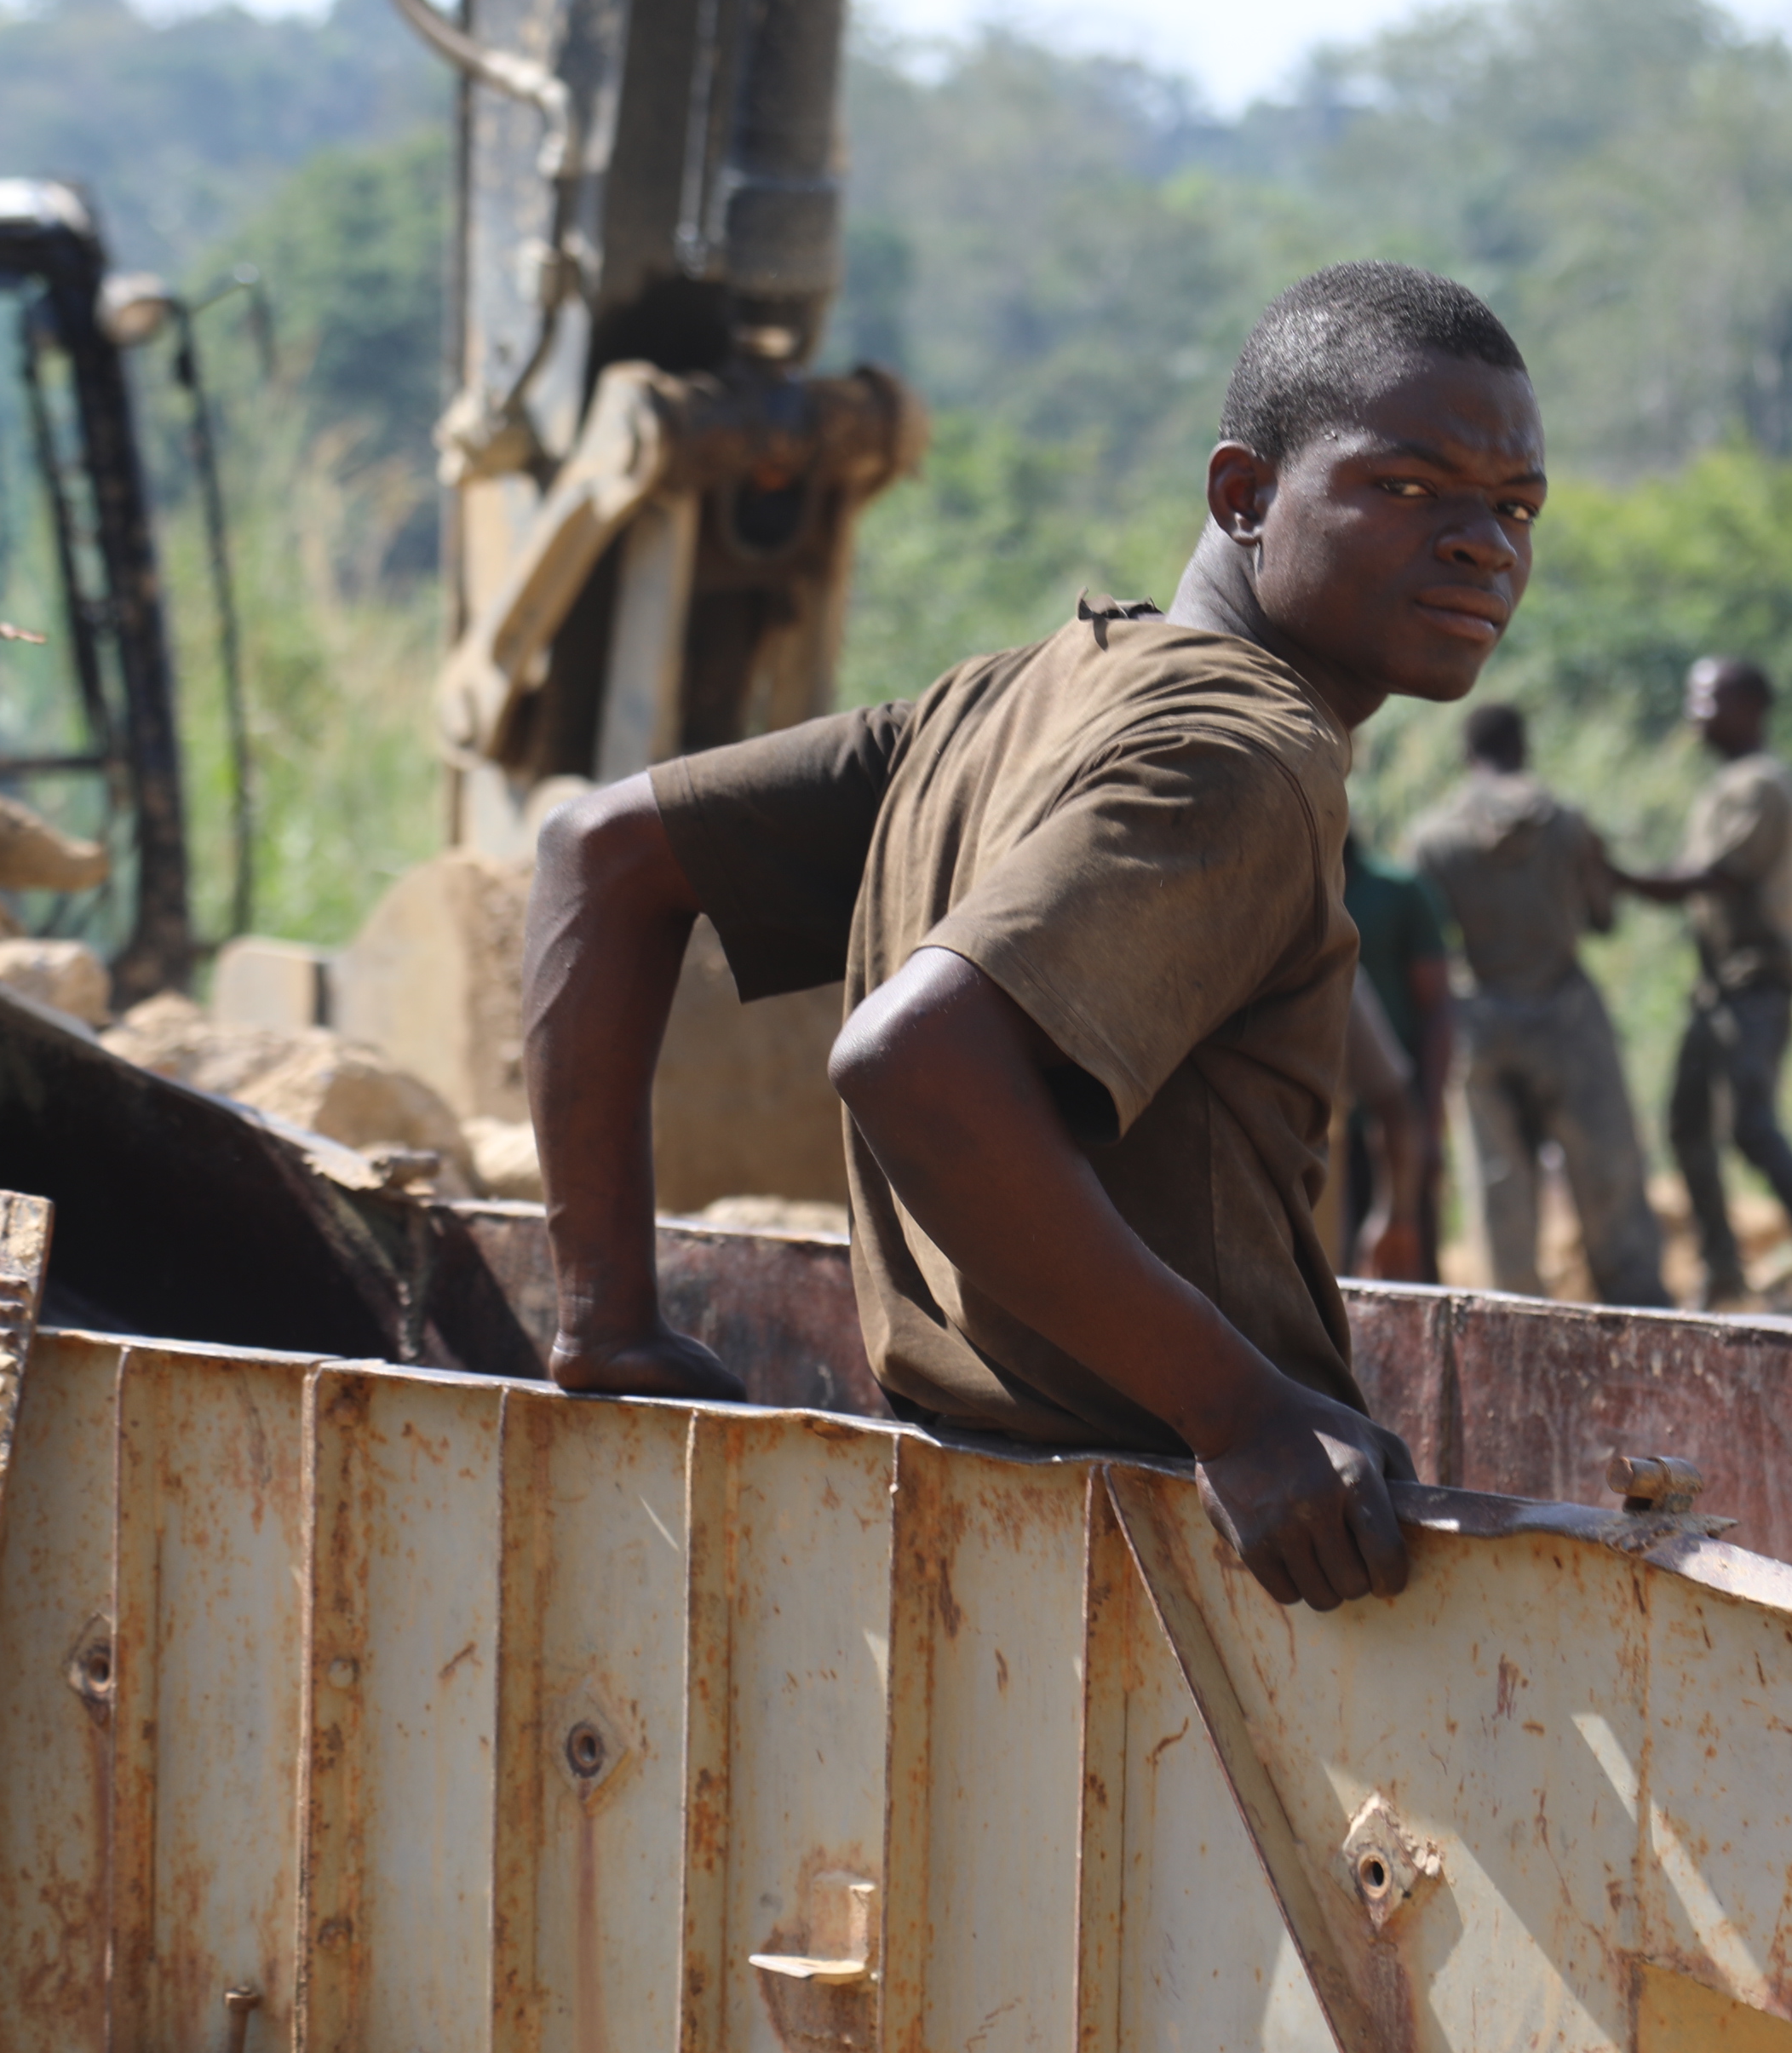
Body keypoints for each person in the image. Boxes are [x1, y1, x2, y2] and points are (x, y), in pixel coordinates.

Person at [519, 261, 1548, 1612]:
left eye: (1514, 506)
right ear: (1245, 497)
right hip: (1164, 1549)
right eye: (1406, 488)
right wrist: (1240, 1413)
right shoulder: (1246, 750)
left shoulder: (1001, 704)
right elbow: (914, 1061)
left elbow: (601, 856)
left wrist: (606, 1319)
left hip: (974, 1514)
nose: (1483, 543)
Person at [1405, 701, 1670, 1309]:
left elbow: (1430, 947)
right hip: (1566, 1010)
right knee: (1609, 1171)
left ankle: (1513, 1317)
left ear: (1468, 756)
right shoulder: (1566, 823)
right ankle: (1639, 1312)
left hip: (1480, 1016)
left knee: (1498, 1185)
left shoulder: (1432, 838)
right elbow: (1603, 918)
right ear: (1524, 749)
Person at [1620, 658, 1792, 1306]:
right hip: (1720, 987)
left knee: (1750, 1122)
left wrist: (1622, 879)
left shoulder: (1759, 786)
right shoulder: (1727, 785)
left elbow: (1717, 876)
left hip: (1757, 980)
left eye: (1710, 699)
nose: (1696, 711)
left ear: (1751, 705)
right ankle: (1721, 1266)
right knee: (1687, 1122)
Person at [1339, 833, 1455, 1278]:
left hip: (1394, 1120)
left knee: (1408, 1268)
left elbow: (1438, 1011)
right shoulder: (1285, 897)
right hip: (1325, 1132)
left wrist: (1428, 1124)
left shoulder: (1397, 892)